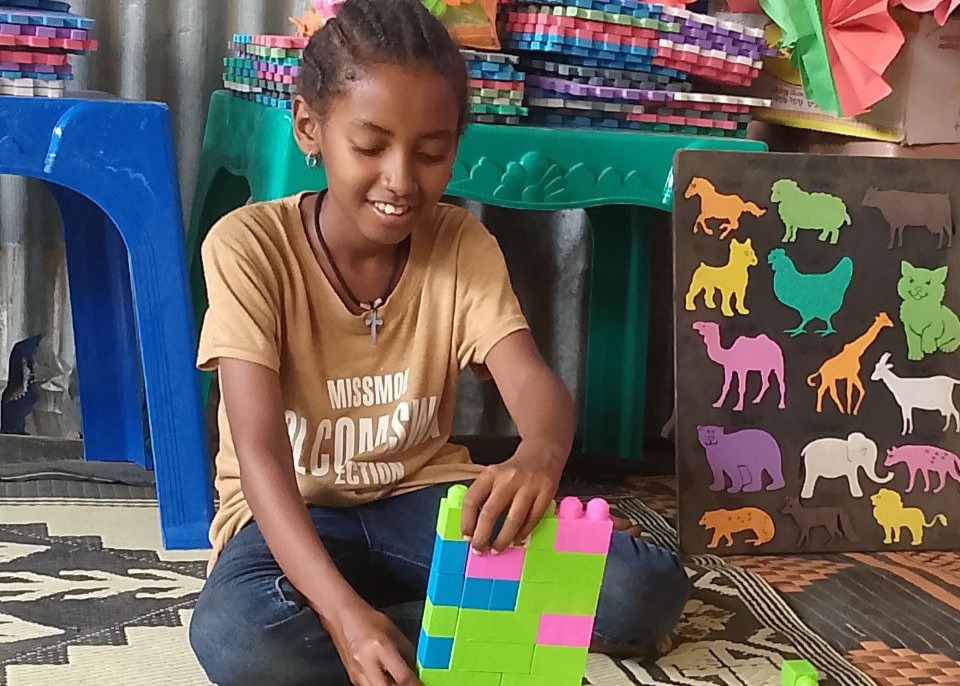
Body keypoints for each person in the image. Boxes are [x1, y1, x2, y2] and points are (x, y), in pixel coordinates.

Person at [188, 0, 690, 683]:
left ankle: (410, 630)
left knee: (646, 589)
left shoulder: (460, 244)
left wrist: (538, 459)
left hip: (427, 503)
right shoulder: (249, 247)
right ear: (310, 126)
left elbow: (532, 385)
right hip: (290, 519)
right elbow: (260, 455)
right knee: (240, 637)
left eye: (431, 153)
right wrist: (339, 612)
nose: (401, 179)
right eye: (370, 147)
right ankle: (447, 624)